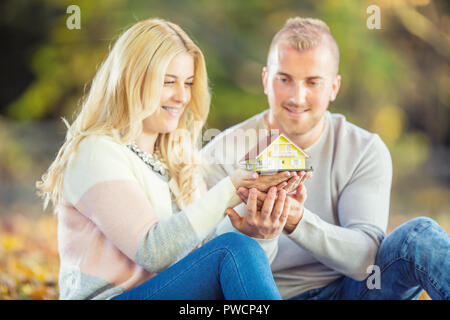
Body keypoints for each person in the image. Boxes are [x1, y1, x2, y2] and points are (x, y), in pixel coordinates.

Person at [36, 18, 296, 300]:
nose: (182, 96)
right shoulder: (95, 152)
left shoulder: (179, 161)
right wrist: (232, 188)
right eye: (168, 82)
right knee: (233, 249)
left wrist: (259, 229)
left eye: (188, 83)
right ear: (132, 80)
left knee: (239, 247)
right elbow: (154, 251)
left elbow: (208, 260)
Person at [202, 17, 450, 300]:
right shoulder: (221, 152)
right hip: (262, 297)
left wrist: (297, 221)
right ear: (265, 80)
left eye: (313, 82)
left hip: (349, 292)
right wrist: (253, 230)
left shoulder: (364, 149)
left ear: (334, 87)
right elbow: (204, 263)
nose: (298, 97)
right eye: (284, 79)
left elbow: (366, 261)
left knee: (420, 237)